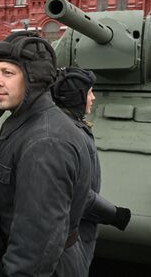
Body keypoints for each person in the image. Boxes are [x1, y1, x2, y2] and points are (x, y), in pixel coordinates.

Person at [0, 31, 92, 276]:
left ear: (34, 80)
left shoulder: (45, 142)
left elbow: (35, 247)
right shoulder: (28, 125)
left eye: (8, 73)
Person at [51, 67, 131, 270]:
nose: (93, 97)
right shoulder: (67, 133)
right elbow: (74, 192)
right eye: (89, 92)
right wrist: (113, 214)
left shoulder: (73, 125)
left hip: (78, 230)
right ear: (77, 97)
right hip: (70, 236)